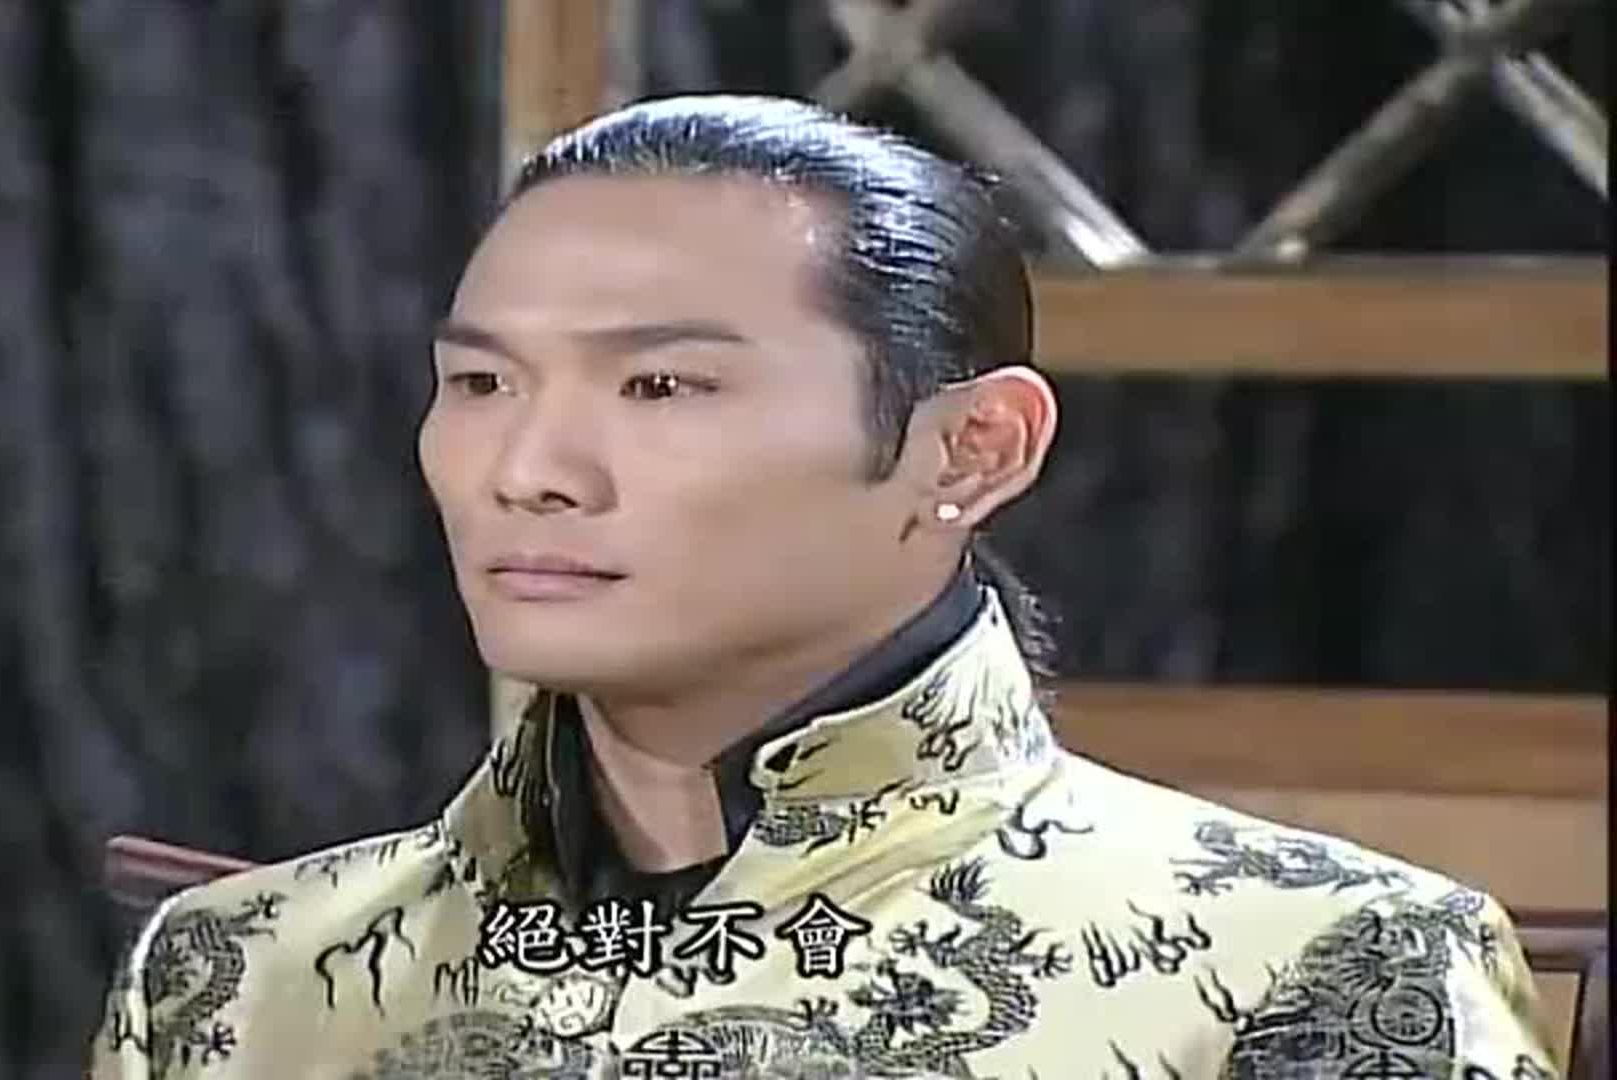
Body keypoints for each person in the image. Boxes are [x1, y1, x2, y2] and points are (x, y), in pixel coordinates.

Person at [88, 95, 1556, 1079]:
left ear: (971, 450)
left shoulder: (1310, 965)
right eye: (480, 383)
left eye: (660, 386)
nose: (527, 468)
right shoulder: (238, 977)